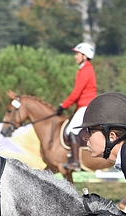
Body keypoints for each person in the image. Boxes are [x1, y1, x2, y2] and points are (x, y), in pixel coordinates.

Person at [56, 42, 97, 171]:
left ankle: (75, 162)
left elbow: (76, 92)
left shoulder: (86, 70)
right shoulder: (84, 69)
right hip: (83, 105)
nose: (75, 56)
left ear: (84, 56)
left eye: (77, 54)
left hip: (86, 105)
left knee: (71, 130)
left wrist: (63, 105)